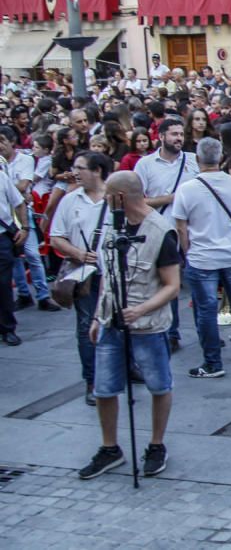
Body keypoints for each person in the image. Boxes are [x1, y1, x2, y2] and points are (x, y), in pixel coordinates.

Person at [77, 171, 181, 480]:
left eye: (108, 194)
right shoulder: (110, 226)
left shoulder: (161, 231)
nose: (104, 200)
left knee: (159, 385)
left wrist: (141, 310)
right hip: (111, 321)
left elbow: (172, 285)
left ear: (120, 197)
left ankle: (156, 444)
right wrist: (98, 316)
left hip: (148, 325)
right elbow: (107, 278)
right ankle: (110, 448)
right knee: (104, 387)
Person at [173, 138, 231, 378]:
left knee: (206, 310)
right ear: (220, 158)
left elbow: (181, 226)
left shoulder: (187, 188)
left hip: (202, 256)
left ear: (198, 159)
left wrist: (187, 252)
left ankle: (212, 362)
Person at [50, 152, 114, 405]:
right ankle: (92, 379)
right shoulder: (69, 200)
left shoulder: (115, 197)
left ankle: (125, 368)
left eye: (80, 168)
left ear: (97, 170)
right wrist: (78, 253)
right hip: (85, 276)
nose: (74, 172)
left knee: (120, 321)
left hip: (115, 273)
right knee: (87, 326)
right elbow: (56, 237)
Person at [133, 118, 199, 352]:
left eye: (181, 134)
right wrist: (170, 199)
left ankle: (204, 329)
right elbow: (138, 200)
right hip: (161, 230)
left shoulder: (193, 161)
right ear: (161, 136)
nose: (178, 138)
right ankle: (171, 332)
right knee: (167, 282)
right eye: (173, 134)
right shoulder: (145, 165)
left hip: (192, 230)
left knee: (197, 280)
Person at [0, 126, 60, 312]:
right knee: (15, 259)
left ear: (11, 141)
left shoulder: (25, 160)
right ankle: (24, 294)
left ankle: (43, 295)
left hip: (22, 213)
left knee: (33, 255)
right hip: (6, 218)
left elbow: (23, 185)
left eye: (2, 140)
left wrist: (7, 186)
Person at [0, 164, 29, 346]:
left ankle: (7, 328)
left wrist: (25, 228)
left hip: (1, 237)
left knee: (3, 284)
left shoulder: (1, 177)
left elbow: (18, 203)